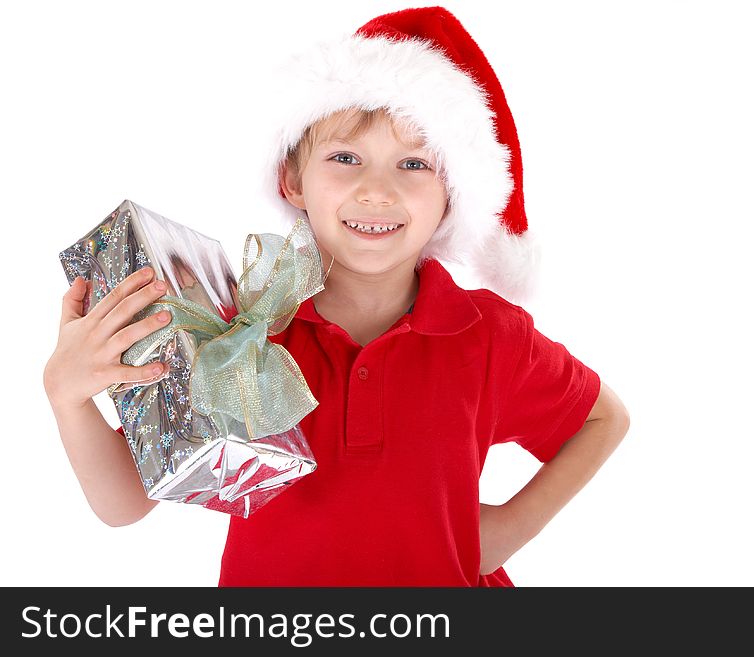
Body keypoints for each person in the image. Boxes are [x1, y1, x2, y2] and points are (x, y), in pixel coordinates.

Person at [43, 6, 630, 586]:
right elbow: (124, 503)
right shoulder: (235, 326)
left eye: (414, 164)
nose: (376, 190)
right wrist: (68, 395)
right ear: (292, 180)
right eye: (345, 158)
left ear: (452, 196)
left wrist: (507, 529)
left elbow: (604, 417)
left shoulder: (490, 335)